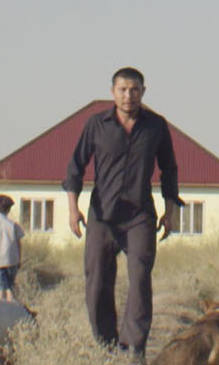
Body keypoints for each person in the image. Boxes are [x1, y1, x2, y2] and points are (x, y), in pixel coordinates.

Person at [63, 67, 182, 361]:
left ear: (143, 92)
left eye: (135, 90)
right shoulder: (96, 125)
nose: (129, 95)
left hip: (139, 216)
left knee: (140, 279)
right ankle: (106, 345)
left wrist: (169, 212)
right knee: (96, 283)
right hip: (102, 216)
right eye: (123, 90)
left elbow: (169, 169)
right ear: (112, 92)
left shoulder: (156, 126)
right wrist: (72, 209)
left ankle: (132, 350)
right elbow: (75, 167)